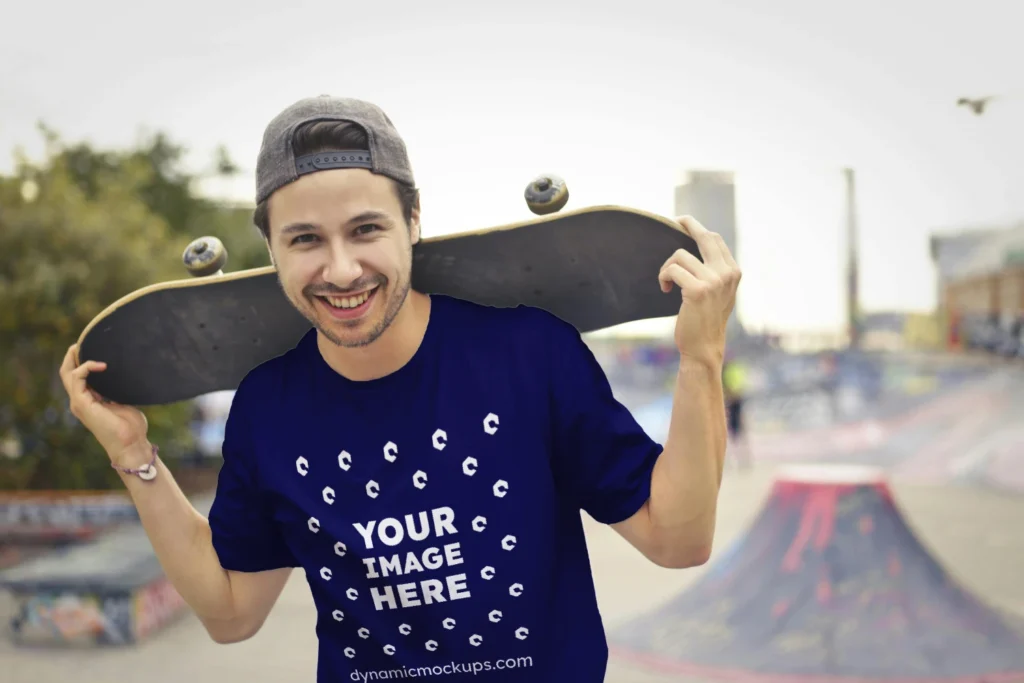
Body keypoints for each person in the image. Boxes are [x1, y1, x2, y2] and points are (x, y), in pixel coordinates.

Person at [59, 95, 741, 682]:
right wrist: (135, 457)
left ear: (413, 220)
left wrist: (700, 358)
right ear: (271, 248)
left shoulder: (528, 354)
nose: (342, 268)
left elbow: (677, 540)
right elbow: (232, 611)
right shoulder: (269, 409)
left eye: (366, 229)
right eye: (305, 240)